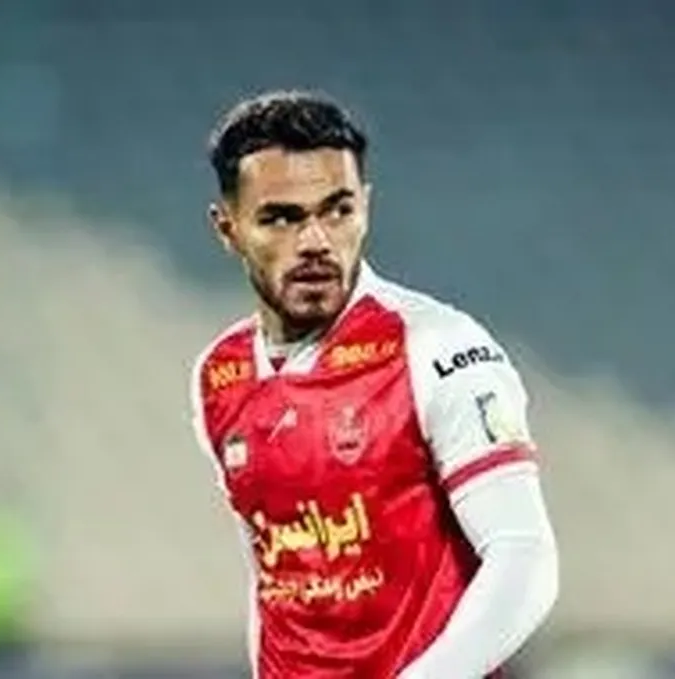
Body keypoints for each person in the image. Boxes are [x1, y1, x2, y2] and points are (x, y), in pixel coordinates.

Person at [188, 90, 558, 679]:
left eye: (337, 210)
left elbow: (524, 557)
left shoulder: (439, 348)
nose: (315, 240)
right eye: (281, 218)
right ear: (227, 228)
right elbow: (270, 582)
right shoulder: (220, 375)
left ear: (366, 206)